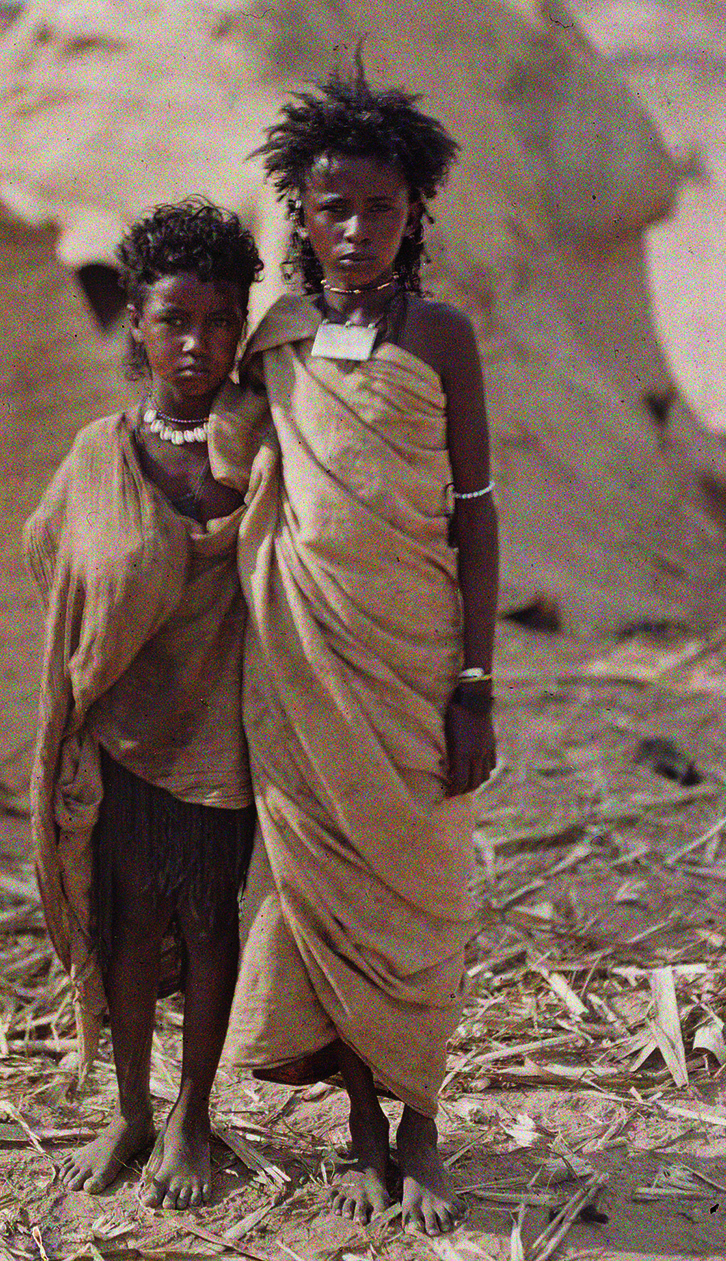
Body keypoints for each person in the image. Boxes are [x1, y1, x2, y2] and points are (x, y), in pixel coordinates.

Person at [224, 67, 499, 1235]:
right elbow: (231, 467)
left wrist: (475, 684)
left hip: (415, 658)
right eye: (331, 206)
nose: (353, 229)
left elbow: (476, 507)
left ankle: (422, 1122)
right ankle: (360, 1130)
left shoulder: (440, 335)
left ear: (411, 215)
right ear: (298, 209)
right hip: (297, 656)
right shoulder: (273, 336)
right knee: (319, 888)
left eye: (377, 209)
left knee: (420, 888)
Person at [25, 199, 266, 1210]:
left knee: (210, 924)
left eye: (219, 321)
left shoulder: (262, 444)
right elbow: (49, 551)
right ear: (136, 323)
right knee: (125, 926)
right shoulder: (100, 452)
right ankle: (129, 1105)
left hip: (225, 737)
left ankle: (192, 1115)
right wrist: (106, 632)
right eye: (174, 320)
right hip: (124, 734)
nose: (197, 344)